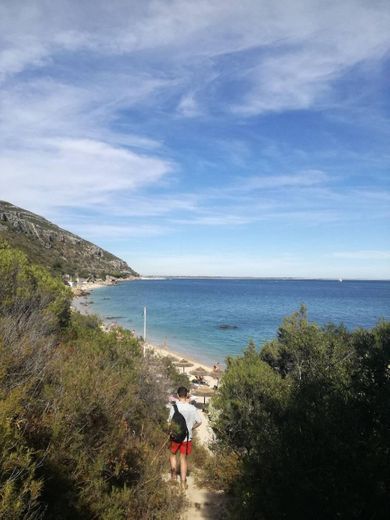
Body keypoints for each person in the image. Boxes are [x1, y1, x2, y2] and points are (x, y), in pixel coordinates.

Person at [168, 386, 202, 489]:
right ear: (187, 395)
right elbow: (199, 421)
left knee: (173, 455)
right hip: (187, 437)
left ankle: (174, 477)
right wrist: (191, 428)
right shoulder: (192, 408)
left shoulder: (173, 407)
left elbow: (170, 422)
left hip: (175, 436)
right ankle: (183, 483)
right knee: (183, 458)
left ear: (178, 395)